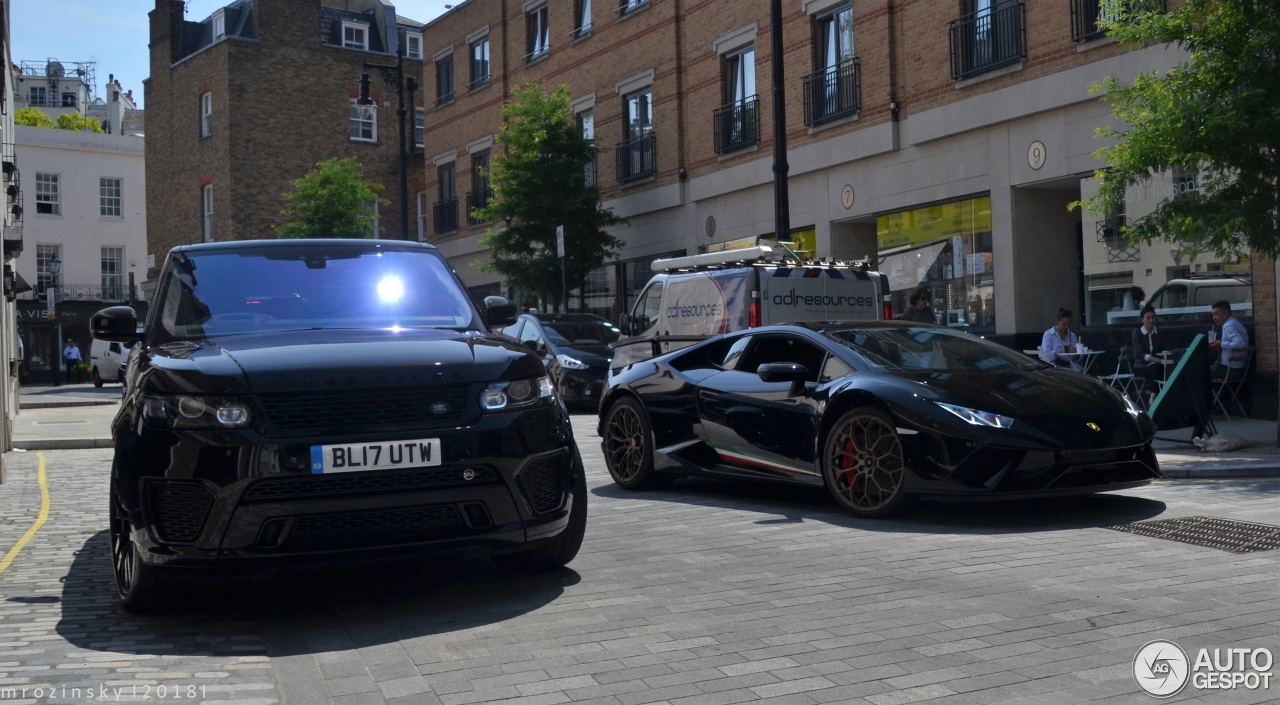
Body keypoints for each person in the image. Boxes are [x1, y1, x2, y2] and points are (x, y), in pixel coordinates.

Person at [1131, 305, 1173, 403]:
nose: (1151, 320)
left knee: (1166, 368)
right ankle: (1153, 397)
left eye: (1153, 317)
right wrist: (1157, 360)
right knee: (1156, 368)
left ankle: (1157, 396)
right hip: (1141, 366)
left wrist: (1163, 359)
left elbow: (1163, 350)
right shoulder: (1137, 333)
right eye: (1148, 318)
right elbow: (1139, 353)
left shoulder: (1159, 332)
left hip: (1157, 365)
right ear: (1142, 319)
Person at [1208, 300, 1249, 381]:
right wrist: (1220, 346)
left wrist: (1221, 344)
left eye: (1216, 314)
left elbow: (1240, 344)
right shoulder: (1235, 322)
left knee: (1199, 371)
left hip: (1229, 371)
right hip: (1240, 369)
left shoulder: (1228, 326)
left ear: (1226, 313)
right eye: (1213, 315)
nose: (1214, 318)